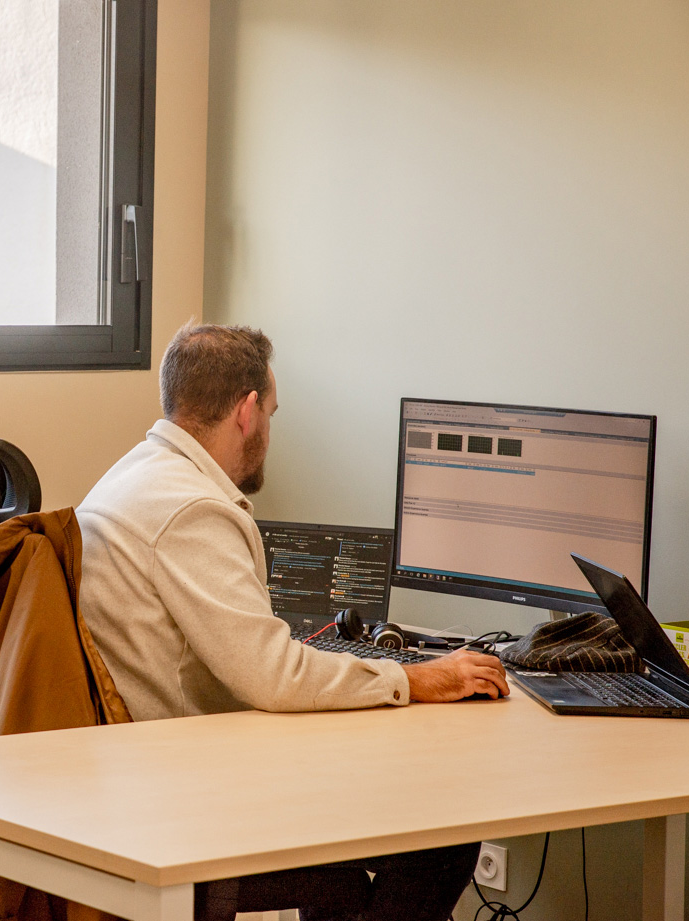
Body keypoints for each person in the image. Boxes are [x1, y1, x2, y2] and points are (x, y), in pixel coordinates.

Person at [77, 323, 509, 921]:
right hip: (187, 807)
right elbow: (272, 676)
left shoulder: (132, 475)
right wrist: (413, 678)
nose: (270, 431)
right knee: (444, 832)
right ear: (247, 410)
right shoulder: (192, 509)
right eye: (272, 414)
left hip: (141, 779)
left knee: (349, 866)